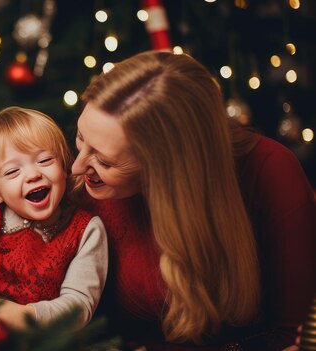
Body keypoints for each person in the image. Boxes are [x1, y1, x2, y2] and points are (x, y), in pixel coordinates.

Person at [71, 50, 316, 350]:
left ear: (168, 168)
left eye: (105, 162)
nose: (76, 167)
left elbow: (294, 334)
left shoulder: (270, 172)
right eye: (81, 137)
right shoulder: (86, 185)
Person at [0, 107, 108, 330]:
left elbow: (79, 305)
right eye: (12, 172)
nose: (33, 175)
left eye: (45, 160)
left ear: (64, 166)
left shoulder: (87, 229)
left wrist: (28, 317)